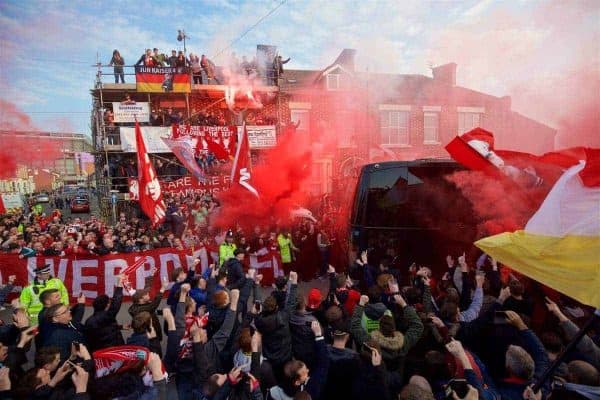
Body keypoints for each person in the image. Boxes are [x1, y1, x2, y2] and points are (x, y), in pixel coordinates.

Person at [83, 274, 125, 352]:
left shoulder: (89, 321)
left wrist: (120, 327)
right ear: (107, 305)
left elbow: (103, 329)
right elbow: (116, 304)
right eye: (109, 303)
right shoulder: (107, 316)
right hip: (112, 353)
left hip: (97, 354)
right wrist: (119, 285)